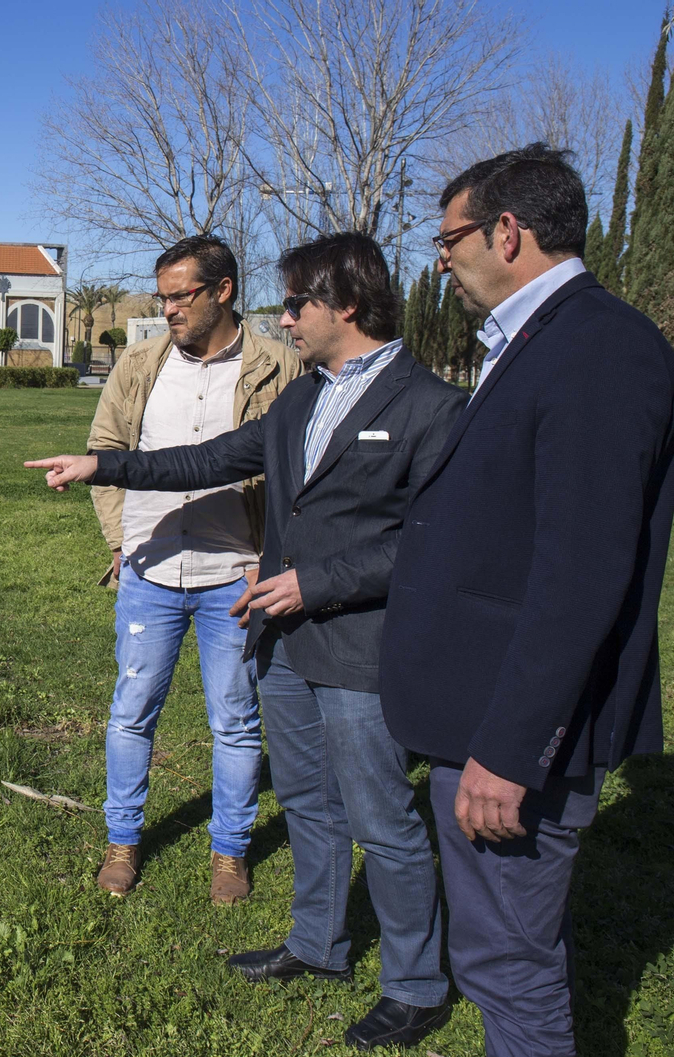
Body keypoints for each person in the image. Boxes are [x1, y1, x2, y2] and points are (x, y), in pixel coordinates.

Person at [28, 232, 466, 1050]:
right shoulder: (302, 398)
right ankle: (318, 944)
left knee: (384, 816)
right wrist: (103, 467)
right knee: (307, 801)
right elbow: (210, 457)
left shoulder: (430, 406)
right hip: (284, 637)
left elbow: (429, 542)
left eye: (298, 302)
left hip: (358, 643)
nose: (286, 316)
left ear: (347, 305)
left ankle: (415, 984)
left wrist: (315, 582)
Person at [380, 144, 674, 1057]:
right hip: (481, 714)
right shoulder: (542, 341)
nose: (441, 259)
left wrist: (509, 750)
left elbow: (581, 574)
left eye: (450, 236)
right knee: (504, 951)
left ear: (509, 231)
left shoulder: (597, 348)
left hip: (511, 740)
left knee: (510, 965)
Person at [83, 234, 302, 902]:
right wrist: (121, 541)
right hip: (149, 572)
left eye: (182, 295)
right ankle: (123, 838)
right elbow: (106, 451)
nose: (169, 309)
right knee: (131, 711)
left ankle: (230, 851)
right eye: (164, 296)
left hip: (233, 576)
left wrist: (269, 559)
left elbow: (295, 475)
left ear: (224, 290)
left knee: (235, 720)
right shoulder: (141, 364)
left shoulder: (278, 368)